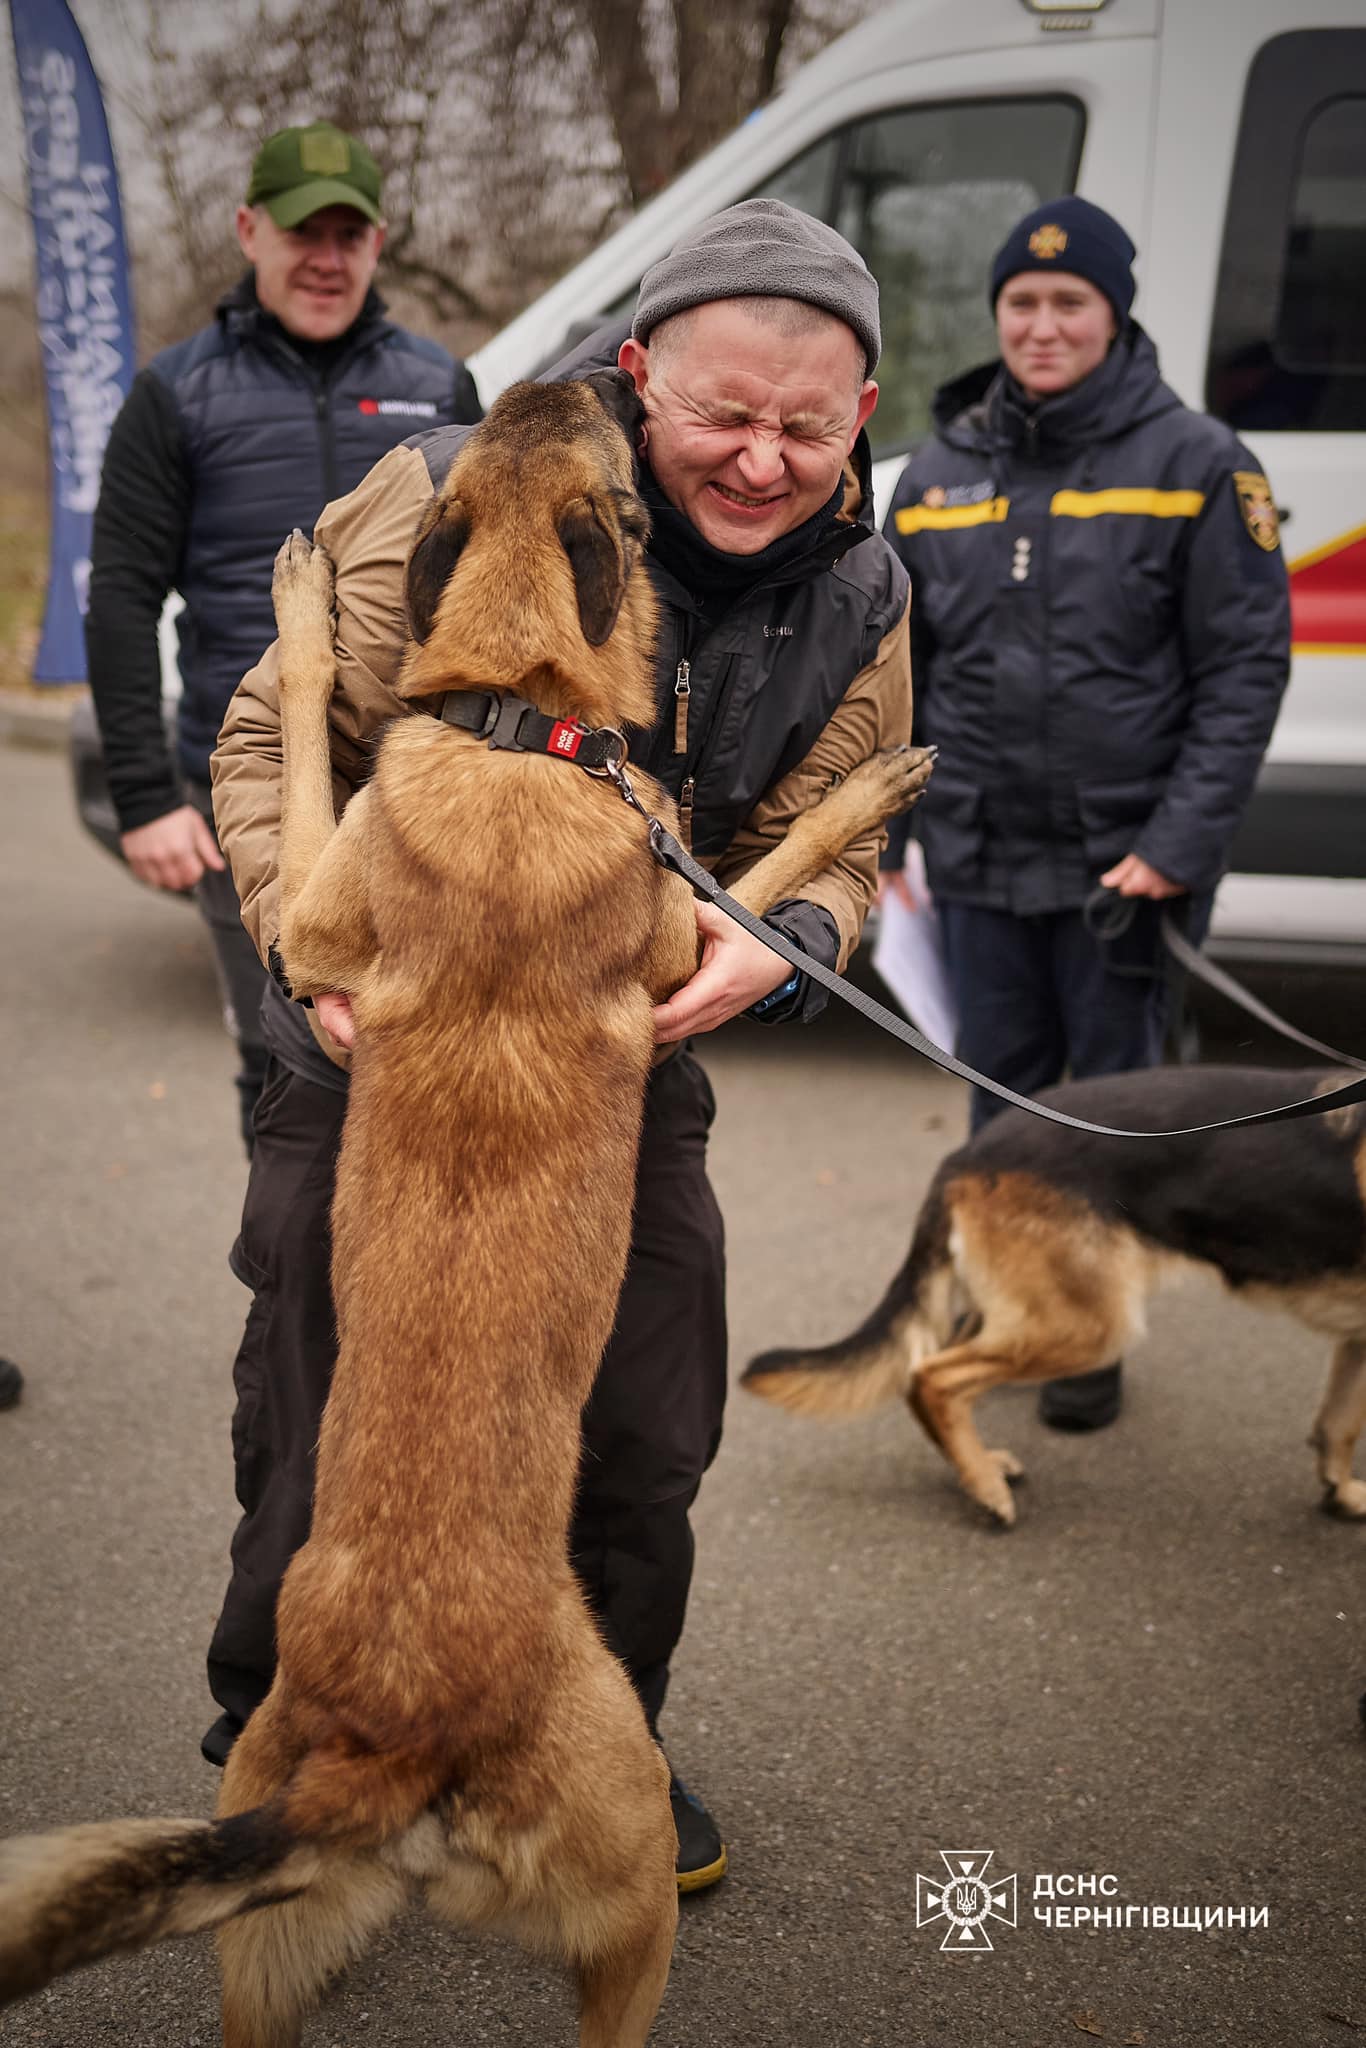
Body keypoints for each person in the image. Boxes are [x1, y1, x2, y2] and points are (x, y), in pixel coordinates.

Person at [206, 199, 913, 1889]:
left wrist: (789, 934)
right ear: (639, 372)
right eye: (723, 414)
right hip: (384, 1048)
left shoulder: (867, 588)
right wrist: (305, 949)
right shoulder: (436, 503)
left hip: (615, 1062)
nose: (762, 459)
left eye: (808, 426)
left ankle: (591, 1736)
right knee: (324, 1427)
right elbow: (259, 735)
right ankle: (285, 1763)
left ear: (863, 417)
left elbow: (849, 836)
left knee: (651, 1423)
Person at [882, 195, 1290, 1431]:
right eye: (1022, 303)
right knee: (997, 1104)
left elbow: (1241, 672)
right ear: (996, 315)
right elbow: (904, 676)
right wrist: (898, 836)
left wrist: (1176, 845)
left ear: (1112, 316)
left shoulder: (1199, 463)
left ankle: (1085, 1341)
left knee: (1117, 1109)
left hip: (1127, 869)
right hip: (979, 856)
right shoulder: (942, 472)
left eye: (1070, 304)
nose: (1042, 325)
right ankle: (1000, 1299)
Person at [85, 122, 482, 1154]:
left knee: (434, 1061)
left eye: (350, 233)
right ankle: (294, 1305)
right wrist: (143, 797)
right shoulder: (174, 395)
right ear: (248, 230)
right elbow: (122, 596)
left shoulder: (440, 388)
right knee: (289, 1068)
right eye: (306, 231)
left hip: (422, 801)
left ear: (380, 243)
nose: (327, 256)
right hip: (250, 793)